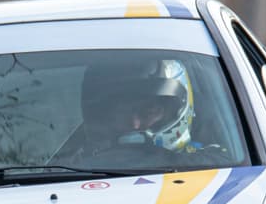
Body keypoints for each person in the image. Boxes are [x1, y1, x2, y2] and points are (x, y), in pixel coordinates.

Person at [55, 55, 209, 166]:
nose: (134, 124)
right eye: (121, 113)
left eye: (149, 112)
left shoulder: (214, 164)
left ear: (177, 109)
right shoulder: (71, 167)